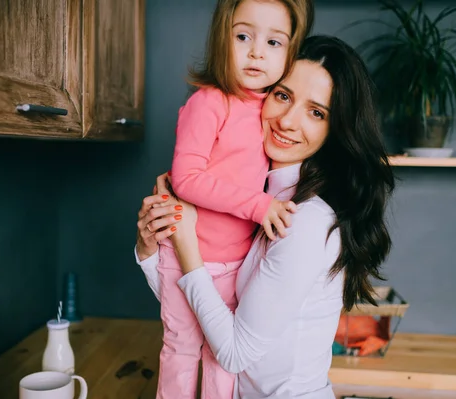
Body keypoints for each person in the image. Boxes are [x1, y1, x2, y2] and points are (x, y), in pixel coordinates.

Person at [136, 35, 395, 398]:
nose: (288, 120)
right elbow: (202, 310)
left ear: (335, 131)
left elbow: (234, 352)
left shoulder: (303, 220)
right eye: (283, 95)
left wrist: (185, 240)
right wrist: (150, 250)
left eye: (316, 112)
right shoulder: (258, 199)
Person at [147, 0, 314, 398]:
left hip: (236, 264)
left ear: (291, 53)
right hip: (188, 257)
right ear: (222, 39)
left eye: (274, 42)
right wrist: (260, 207)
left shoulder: (271, 109)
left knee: (223, 358)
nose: (257, 51)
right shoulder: (209, 102)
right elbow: (186, 179)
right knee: (182, 349)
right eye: (243, 36)